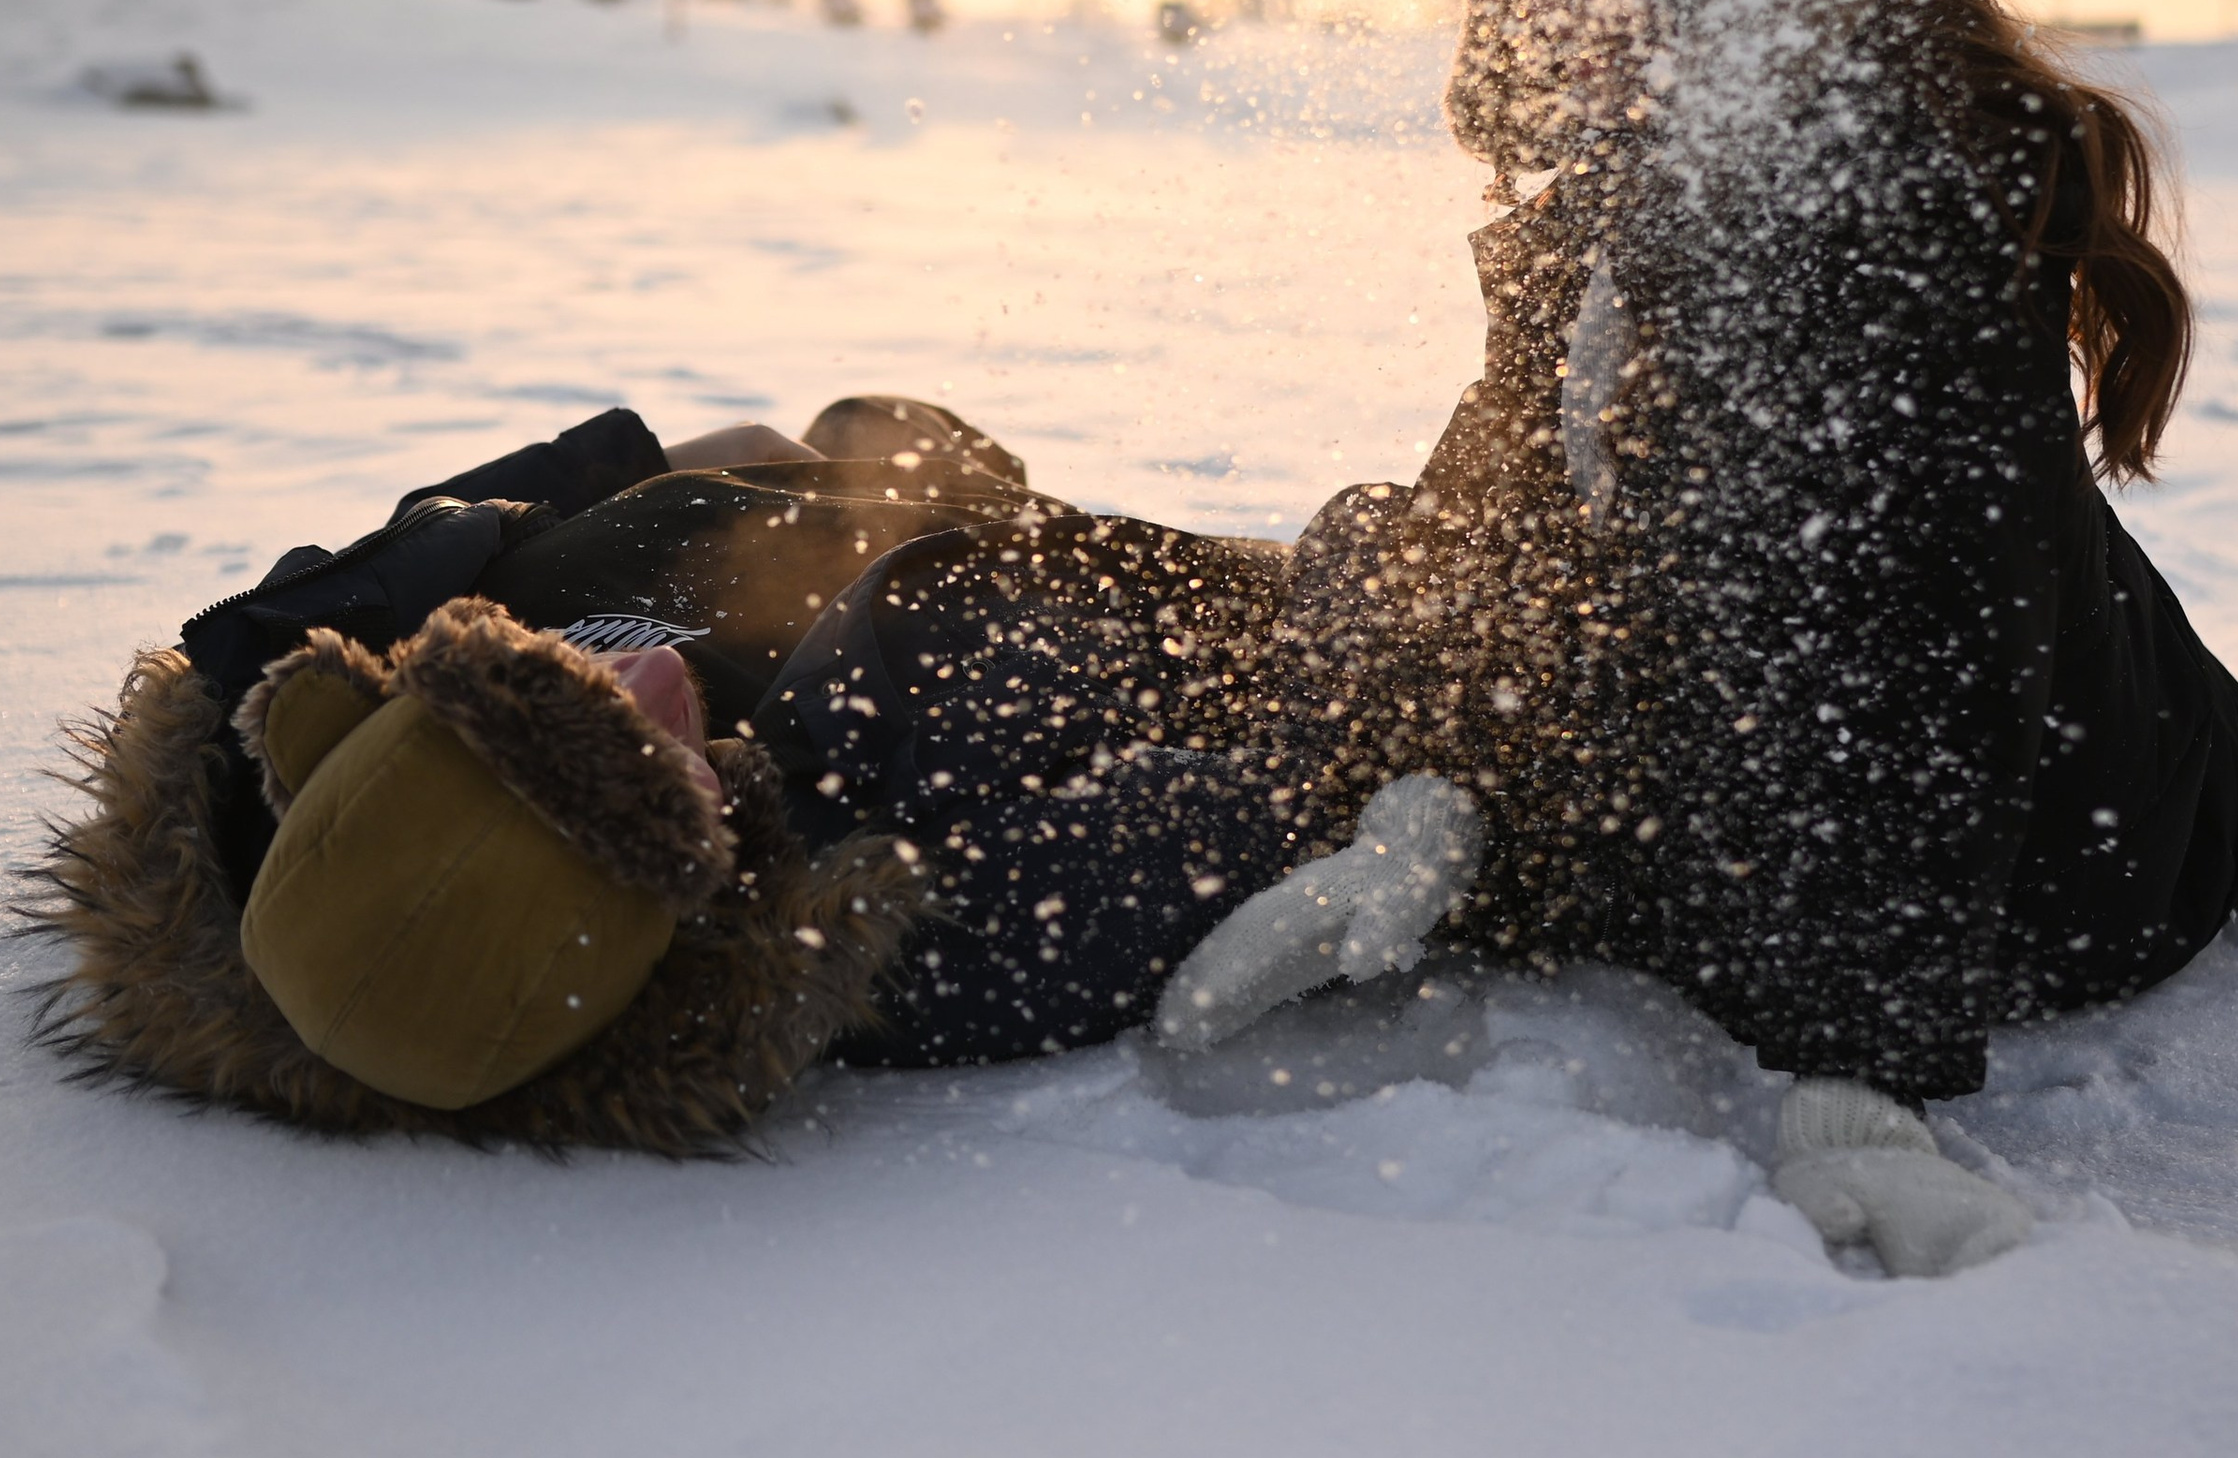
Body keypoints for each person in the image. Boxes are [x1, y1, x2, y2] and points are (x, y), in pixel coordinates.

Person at [1163, 0, 2238, 1275]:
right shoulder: (1638, 182)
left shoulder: (1892, 210)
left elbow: (1926, 666)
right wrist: (1426, 792)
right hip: (1761, 751)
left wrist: (1862, 1085)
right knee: (1346, 570)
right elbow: (1491, 538)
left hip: (2080, 862)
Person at [29, 393, 1325, 1153]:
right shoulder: (877, 927)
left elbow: (492, 514)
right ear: (637, 901)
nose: (653, 687)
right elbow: (1260, 805)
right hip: (1157, 606)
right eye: (655, 772)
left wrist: (728, 476)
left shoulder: (350, 677)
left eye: (575, 680)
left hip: (847, 498)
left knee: (868, 427)